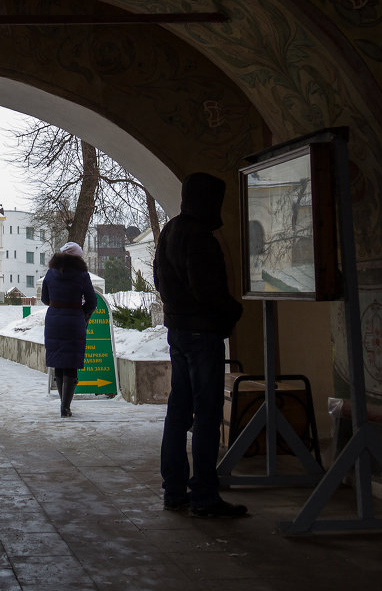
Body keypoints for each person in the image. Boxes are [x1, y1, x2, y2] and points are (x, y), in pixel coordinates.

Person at [153, 172, 248, 518]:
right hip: (202, 333)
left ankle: (174, 490)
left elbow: (158, 278)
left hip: (178, 330)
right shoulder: (200, 237)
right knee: (206, 415)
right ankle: (205, 495)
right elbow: (207, 290)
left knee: (178, 412)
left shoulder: (170, 231)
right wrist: (233, 310)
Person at [41, 242, 97, 417]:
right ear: (77, 257)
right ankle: (65, 407)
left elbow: (44, 298)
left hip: (54, 320)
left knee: (58, 362)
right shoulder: (82, 274)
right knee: (71, 364)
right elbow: (92, 301)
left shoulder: (50, 273)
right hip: (73, 320)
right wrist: (83, 315)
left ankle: (62, 404)